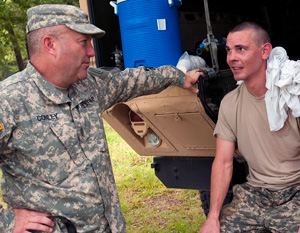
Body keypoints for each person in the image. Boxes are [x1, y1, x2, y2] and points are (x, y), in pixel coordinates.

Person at [0, 4, 203, 233]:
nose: (92, 52)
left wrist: (178, 77)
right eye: (82, 42)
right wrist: (7, 222)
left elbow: (133, 80)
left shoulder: (89, 86)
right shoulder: (8, 101)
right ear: (50, 45)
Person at [200, 21, 300, 233]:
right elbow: (224, 162)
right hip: (255, 193)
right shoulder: (230, 103)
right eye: (228, 50)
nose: (231, 58)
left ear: (265, 51)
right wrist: (212, 218)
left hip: (295, 192)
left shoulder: (293, 96)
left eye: (241, 49)